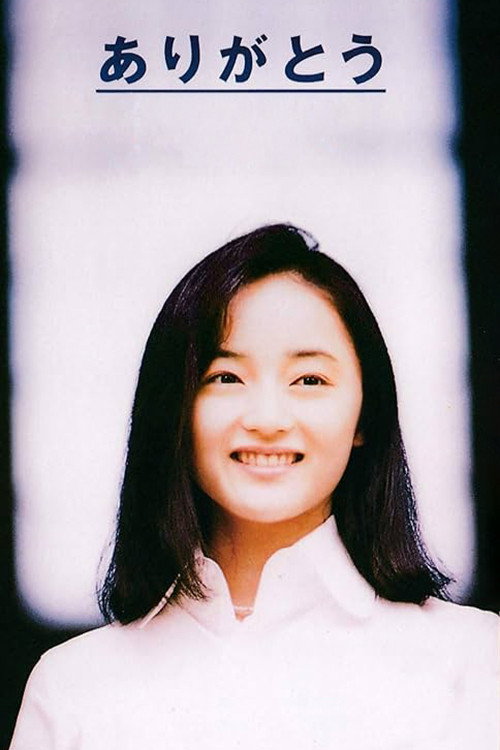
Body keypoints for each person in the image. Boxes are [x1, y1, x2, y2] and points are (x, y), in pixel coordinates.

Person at [10, 224, 498, 749]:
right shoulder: (73, 689)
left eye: (309, 380)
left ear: (365, 415)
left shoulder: (473, 662)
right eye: (226, 378)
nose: (267, 419)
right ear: (175, 410)